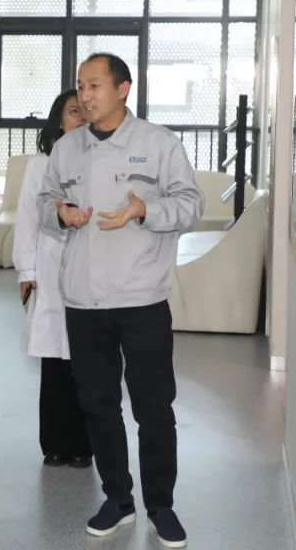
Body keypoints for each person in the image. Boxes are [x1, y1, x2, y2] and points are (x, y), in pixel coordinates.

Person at [39, 53, 204, 547]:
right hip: (84, 301)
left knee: (154, 407)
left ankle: (161, 505)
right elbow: (45, 203)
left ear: (123, 88)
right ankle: (118, 498)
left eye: (95, 85)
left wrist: (143, 210)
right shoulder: (67, 148)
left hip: (141, 299)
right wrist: (60, 213)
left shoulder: (158, 143)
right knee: (98, 405)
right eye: (80, 86)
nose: (85, 95)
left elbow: (191, 204)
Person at [13, 89, 93, 469]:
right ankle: (55, 444)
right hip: (49, 266)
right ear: (58, 121)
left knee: (87, 362)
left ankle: (84, 444)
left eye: (85, 111)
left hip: (91, 271)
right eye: (73, 111)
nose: (81, 118)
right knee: (54, 363)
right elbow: (27, 219)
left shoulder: (101, 160)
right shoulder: (40, 164)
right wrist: (26, 271)